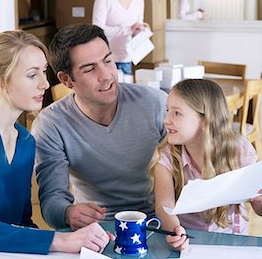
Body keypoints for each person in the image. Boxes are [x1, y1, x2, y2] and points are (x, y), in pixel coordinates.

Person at [0, 30, 111, 259]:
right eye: (32, 75)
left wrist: (70, 252)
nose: (44, 83)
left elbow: (22, 222)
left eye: (43, 72)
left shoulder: (25, 141)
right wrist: (61, 241)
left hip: (2, 257)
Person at [33, 24, 167, 231]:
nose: (106, 76)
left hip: (159, 221)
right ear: (66, 80)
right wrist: (68, 213)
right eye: (89, 69)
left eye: (108, 61)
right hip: (96, 230)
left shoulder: (155, 103)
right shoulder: (50, 124)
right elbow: (52, 199)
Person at [149, 79, 262, 251]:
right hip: (189, 242)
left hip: (234, 245)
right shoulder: (167, 156)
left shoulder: (239, 151)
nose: (166, 120)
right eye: (168, 110)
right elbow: (164, 206)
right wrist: (175, 232)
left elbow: (261, 210)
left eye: (176, 113)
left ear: (205, 120)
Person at [92, 0, 150, 76]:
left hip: (126, 59)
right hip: (105, 59)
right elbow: (97, 30)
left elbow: (135, 30)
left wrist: (142, 31)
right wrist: (128, 29)